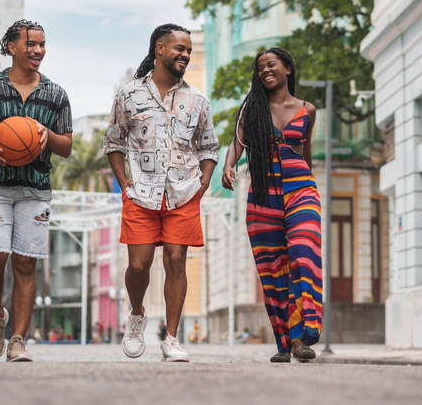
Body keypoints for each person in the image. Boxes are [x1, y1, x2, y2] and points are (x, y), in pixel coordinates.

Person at [104, 23, 219, 363]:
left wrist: (204, 180)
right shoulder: (128, 95)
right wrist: (123, 181)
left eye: (189, 50)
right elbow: (113, 142)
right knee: (139, 266)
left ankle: (171, 338)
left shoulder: (198, 100)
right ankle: (137, 314)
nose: (185, 54)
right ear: (159, 49)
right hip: (141, 193)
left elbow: (209, 147)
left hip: (183, 193)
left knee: (176, 261)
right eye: (179, 48)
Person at [0, 20, 73, 362]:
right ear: (11, 47)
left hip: (35, 189)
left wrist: (44, 134)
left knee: (26, 265)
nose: (38, 50)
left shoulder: (56, 94)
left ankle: (19, 340)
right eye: (31, 44)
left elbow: (67, 147)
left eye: (42, 44)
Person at [222, 48, 322, 363]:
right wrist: (229, 166)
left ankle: (304, 333)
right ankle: (288, 342)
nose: (265, 70)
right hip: (264, 195)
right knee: (273, 270)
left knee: (304, 255)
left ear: (288, 68)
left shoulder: (308, 110)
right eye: (260, 67)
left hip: (300, 190)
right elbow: (237, 142)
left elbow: (304, 152)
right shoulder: (252, 109)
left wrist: (309, 179)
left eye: (272, 64)